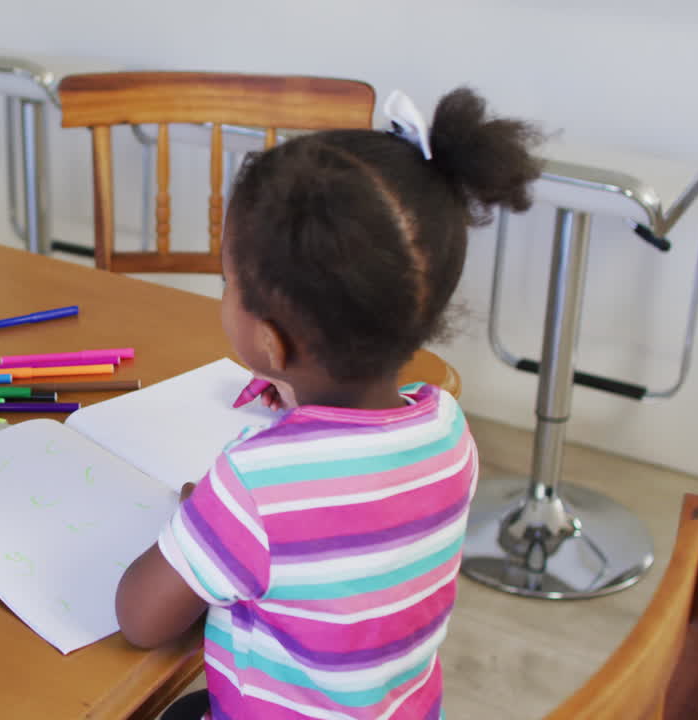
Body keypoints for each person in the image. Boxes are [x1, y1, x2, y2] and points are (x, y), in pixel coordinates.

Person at [115, 87, 542, 719]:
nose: (225, 293)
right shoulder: (450, 431)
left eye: (227, 282)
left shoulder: (254, 486)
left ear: (269, 340)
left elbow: (140, 619)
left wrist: (206, 525)